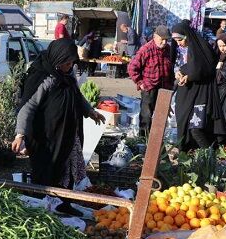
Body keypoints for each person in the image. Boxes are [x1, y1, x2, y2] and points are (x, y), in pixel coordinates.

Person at [12, 39, 105, 215]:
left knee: (68, 169)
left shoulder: (67, 75)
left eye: (71, 62)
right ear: (57, 59)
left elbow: (77, 96)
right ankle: (42, 207)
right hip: (47, 137)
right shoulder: (44, 77)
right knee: (47, 170)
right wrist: (20, 134)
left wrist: (90, 111)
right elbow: (27, 107)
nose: (69, 66)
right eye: (66, 62)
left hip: (68, 134)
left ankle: (64, 204)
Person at [171, 20, 226, 150]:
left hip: (202, 94)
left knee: (195, 128)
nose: (178, 43)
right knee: (189, 125)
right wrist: (180, 72)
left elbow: (205, 68)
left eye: (180, 40)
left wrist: (189, 76)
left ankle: (208, 156)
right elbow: (191, 66)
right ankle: (193, 155)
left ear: (187, 35)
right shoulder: (189, 48)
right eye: (176, 41)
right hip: (192, 94)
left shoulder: (199, 47)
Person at [128, 25, 173, 136]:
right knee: (146, 115)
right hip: (149, 87)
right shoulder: (146, 49)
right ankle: (143, 139)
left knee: (161, 116)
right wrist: (140, 83)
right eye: (162, 39)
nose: (164, 42)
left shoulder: (168, 49)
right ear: (155, 36)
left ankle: (156, 140)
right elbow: (132, 67)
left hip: (164, 87)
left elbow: (170, 68)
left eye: (166, 40)